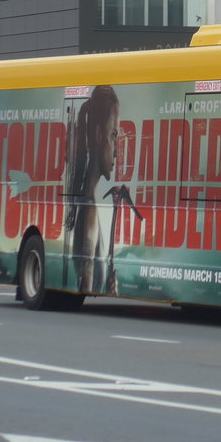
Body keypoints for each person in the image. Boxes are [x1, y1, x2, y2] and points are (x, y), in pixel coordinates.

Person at [64, 85, 120, 293]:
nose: (117, 151)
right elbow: (85, 287)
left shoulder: (86, 201)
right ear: (98, 134)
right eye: (114, 136)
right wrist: (111, 291)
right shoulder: (89, 208)